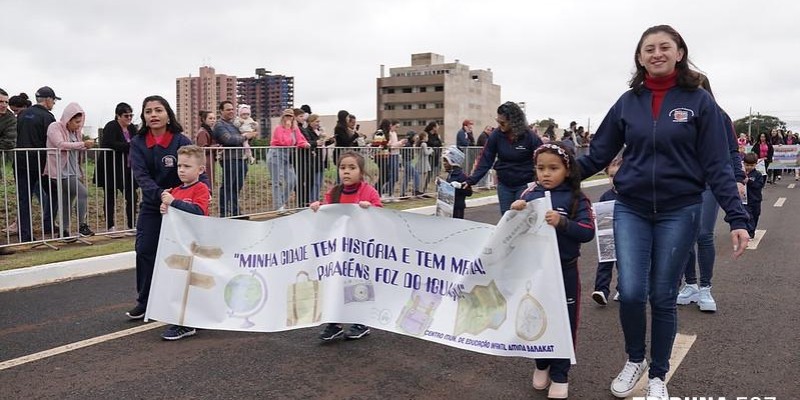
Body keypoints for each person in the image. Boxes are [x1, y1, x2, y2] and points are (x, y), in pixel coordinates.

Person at [576, 25, 749, 399]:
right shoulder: (627, 102)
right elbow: (597, 154)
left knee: (662, 295)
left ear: (679, 53)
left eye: (664, 47)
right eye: (648, 48)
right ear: (640, 58)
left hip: (680, 210)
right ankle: (634, 359)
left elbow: (718, 165)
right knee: (633, 291)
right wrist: (553, 175)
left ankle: (657, 375)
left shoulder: (699, 101)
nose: (656, 53)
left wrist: (738, 218)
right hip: (632, 208)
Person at [510, 142, 595, 400]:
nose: (546, 174)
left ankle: (560, 374)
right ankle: (541, 363)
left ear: (567, 170)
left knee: (565, 322)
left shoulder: (577, 198)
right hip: (536, 274)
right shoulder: (529, 196)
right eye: (540, 168)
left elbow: (588, 232)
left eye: (553, 168)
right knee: (534, 318)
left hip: (565, 273)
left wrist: (563, 223)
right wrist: (515, 213)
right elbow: (513, 234)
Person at [126, 95, 209, 320]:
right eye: (148, 111)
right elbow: (141, 176)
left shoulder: (180, 140)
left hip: (181, 206)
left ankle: (186, 303)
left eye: (158, 110)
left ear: (167, 114)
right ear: (143, 116)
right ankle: (145, 301)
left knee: (183, 254)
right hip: (154, 204)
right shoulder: (137, 143)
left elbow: (196, 168)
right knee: (144, 250)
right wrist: (161, 195)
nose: (153, 115)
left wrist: (202, 193)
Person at [676, 75, 747, 314]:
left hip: (709, 183)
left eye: (697, 88)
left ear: (706, 91)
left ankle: (705, 287)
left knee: (703, 233)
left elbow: (732, 150)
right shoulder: (678, 114)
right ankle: (691, 284)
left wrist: (737, 178)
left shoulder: (720, 116)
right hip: (683, 183)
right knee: (684, 235)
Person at [310, 151, 380, 341]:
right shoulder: (334, 193)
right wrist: (318, 208)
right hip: (339, 251)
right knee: (336, 282)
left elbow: (381, 217)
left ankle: (361, 321)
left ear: (361, 171)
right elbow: (326, 215)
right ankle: (335, 322)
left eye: (352, 168)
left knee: (359, 284)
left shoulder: (368, 192)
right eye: (342, 168)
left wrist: (370, 209)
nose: (346, 172)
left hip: (361, 249)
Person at [158, 145, 211, 340]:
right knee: (180, 282)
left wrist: (173, 203)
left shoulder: (201, 189)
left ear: (200, 170)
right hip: (179, 246)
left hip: (196, 246)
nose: (181, 170)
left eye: (187, 166)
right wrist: (165, 209)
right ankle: (189, 318)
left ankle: (186, 323)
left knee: (192, 284)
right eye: (179, 165)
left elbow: (198, 212)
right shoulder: (175, 190)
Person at [463, 102, 543, 215]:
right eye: (498, 121)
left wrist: (540, 181)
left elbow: (542, 159)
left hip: (525, 185)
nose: (500, 125)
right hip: (504, 185)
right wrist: (471, 180)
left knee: (521, 219)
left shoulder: (529, 137)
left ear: (514, 122)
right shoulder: (496, 135)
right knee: (507, 219)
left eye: (503, 122)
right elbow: (486, 158)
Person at [44, 103, 96, 240]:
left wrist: (86, 146)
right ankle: (82, 225)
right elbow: (60, 144)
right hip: (60, 171)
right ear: (69, 119)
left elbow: (77, 148)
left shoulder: (76, 132)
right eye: (76, 122)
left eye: (80, 122)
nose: (79, 125)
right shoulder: (55, 127)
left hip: (73, 170)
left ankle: (64, 231)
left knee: (67, 200)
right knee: (82, 193)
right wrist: (83, 144)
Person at [15, 86, 59, 242]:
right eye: (53, 100)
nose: (53, 103)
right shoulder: (48, 118)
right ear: (47, 100)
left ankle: (25, 234)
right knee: (55, 192)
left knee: (24, 199)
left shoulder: (21, 115)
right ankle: (48, 223)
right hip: (40, 163)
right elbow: (52, 141)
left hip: (20, 162)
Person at [97, 102, 138, 236]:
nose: (129, 118)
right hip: (111, 168)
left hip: (128, 168)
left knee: (132, 196)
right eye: (126, 115)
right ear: (118, 116)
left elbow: (137, 142)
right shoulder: (111, 126)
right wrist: (129, 146)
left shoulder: (132, 128)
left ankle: (132, 225)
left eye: (131, 115)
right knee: (110, 197)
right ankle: (110, 226)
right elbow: (109, 143)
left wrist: (131, 145)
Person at [213, 101, 257, 217]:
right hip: (229, 159)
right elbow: (229, 140)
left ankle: (235, 212)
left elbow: (242, 139)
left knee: (237, 187)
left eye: (232, 109)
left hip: (241, 158)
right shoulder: (219, 125)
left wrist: (250, 135)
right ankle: (224, 213)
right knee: (227, 186)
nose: (231, 111)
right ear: (221, 111)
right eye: (228, 109)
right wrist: (246, 136)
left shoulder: (235, 124)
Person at [591, 157, 623, 305]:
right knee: (605, 262)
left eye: (618, 175)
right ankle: (601, 290)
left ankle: (623, 289)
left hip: (626, 235)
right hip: (607, 234)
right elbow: (600, 214)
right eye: (611, 176)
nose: (614, 179)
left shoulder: (631, 195)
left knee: (625, 264)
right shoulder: (606, 195)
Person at [268, 108, 310, 212]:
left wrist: (305, 144)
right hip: (276, 154)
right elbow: (284, 142)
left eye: (290, 116)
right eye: (286, 116)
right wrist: (287, 128)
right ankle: (279, 206)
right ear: (283, 117)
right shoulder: (279, 128)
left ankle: (281, 202)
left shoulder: (295, 129)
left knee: (292, 180)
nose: (288, 118)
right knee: (277, 182)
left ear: (293, 118)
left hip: (287, 156)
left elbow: (300, 140)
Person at [0, 88, 17, 255]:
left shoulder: (10, 118)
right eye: (0, 102)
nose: (4, 105)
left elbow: (9, 142)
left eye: (6, 101)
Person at [442, 145, 472, 219]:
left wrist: (460, 186)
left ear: (453, 161)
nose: (444, 163)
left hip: (458, 208)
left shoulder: (461, 176)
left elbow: (469, 192)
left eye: (446, 160)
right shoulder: (450, 174)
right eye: (444, 160)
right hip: (449, 207)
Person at [742, 152, 766, 239]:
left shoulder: (758, 175)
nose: (749, 167)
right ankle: (749, 232)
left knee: (755, 216)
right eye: (747, 165)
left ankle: (752, 230)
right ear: (744, 163)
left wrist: (749, 181)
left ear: (755, 164)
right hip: (745, 200)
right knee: (748, 216)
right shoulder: (741, 174)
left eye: (751, 165)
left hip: (755, 200)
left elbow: (759, 185)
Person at [195, 110, 219, 189]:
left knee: (209, 182)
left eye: (214, 118)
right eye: (210, 118)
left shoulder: (208, 131)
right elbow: (202, 148)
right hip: (206, 161)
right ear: (204, 119)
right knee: (206, 183)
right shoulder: (203, 132)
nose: (213, 120)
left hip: (209, 160)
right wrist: (216, 146)